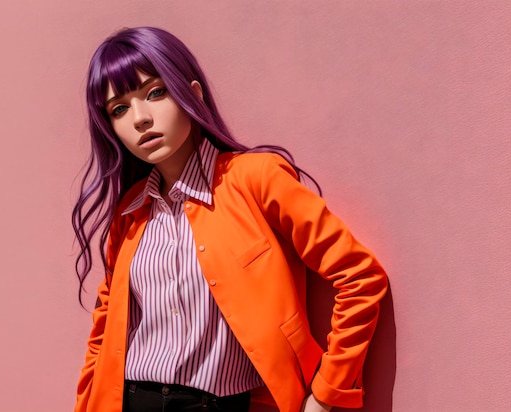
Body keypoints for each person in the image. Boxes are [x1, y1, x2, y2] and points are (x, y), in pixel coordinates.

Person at [72, 26, 388, 412]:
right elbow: (104, 330)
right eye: (119, 109)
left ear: (193, 93)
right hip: (132, 400)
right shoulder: (131, 213)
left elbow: (360, 275)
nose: (140, 119)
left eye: (155, 93)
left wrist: (327, 393)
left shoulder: (255, 179)